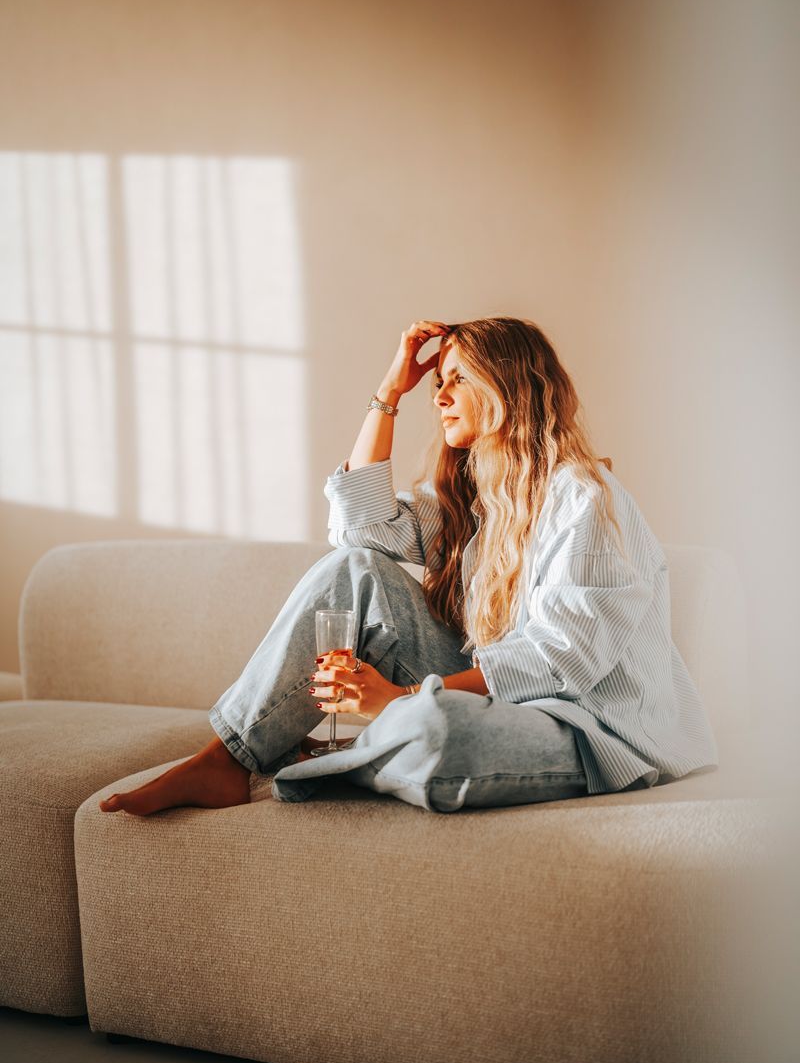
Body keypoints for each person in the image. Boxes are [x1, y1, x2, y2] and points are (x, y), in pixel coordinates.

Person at [100, 316, 718, 816]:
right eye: (433, 386)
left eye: (456, 380)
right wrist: (388, 392)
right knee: (357, 569)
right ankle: (227, 760)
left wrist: (400, 698)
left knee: (438, 731)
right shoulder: (472, 500)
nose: (440, 396)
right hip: (497, 695)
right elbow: (359, 528)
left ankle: (355, 742)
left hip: (591, 726)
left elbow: (565, 656)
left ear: (506, 386)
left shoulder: (584, 495)